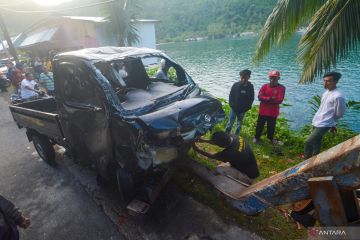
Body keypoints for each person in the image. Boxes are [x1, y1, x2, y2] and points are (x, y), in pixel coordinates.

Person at [304, 71, 346, 159]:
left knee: (308, 142)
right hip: (317, 121)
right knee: (317, 142)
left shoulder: (338, 96)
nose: (325, 83)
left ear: (335, 82)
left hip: (325, 124)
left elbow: (339, 113)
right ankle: (314, 160)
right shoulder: (326, 92)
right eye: (324, 80)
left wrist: (331, 123)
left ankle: (305, 162)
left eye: (328, 81)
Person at [192, 131, 259, 180]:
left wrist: (197, 149)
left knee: (219, 169)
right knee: (227, 163)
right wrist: (204, 140)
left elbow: (212, 156)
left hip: (249, 176)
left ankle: (242, 182)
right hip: (252, 168)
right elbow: (220, 141)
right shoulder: (235, 137)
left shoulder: (230, 153)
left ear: (222, 145)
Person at [253, 70, 286, 144]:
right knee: (259, 125)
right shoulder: (264, 86)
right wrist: (270, 99)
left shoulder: (281, 88)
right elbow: (259, 97)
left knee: (271, 127)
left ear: (278, 78)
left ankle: (270, 139)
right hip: (263, 111)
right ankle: (256, 137)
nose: (272, 79)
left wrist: (265, 99)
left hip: (273, 112)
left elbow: (279, 100)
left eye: (274, 78)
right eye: (271, 77)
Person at [225, 69, 254, 135]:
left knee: (239, 123)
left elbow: (251, 98)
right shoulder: (235, 85)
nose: (244, 79)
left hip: (243, 110)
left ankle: (236, 135)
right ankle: (226, 133)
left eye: (245, 78)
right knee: (230, 122)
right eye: (242, 77)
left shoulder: (250, 87)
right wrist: (231, 105)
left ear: (249, 77)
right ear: (240, 77)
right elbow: (231, 96)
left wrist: (247, 107)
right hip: (234, 108)